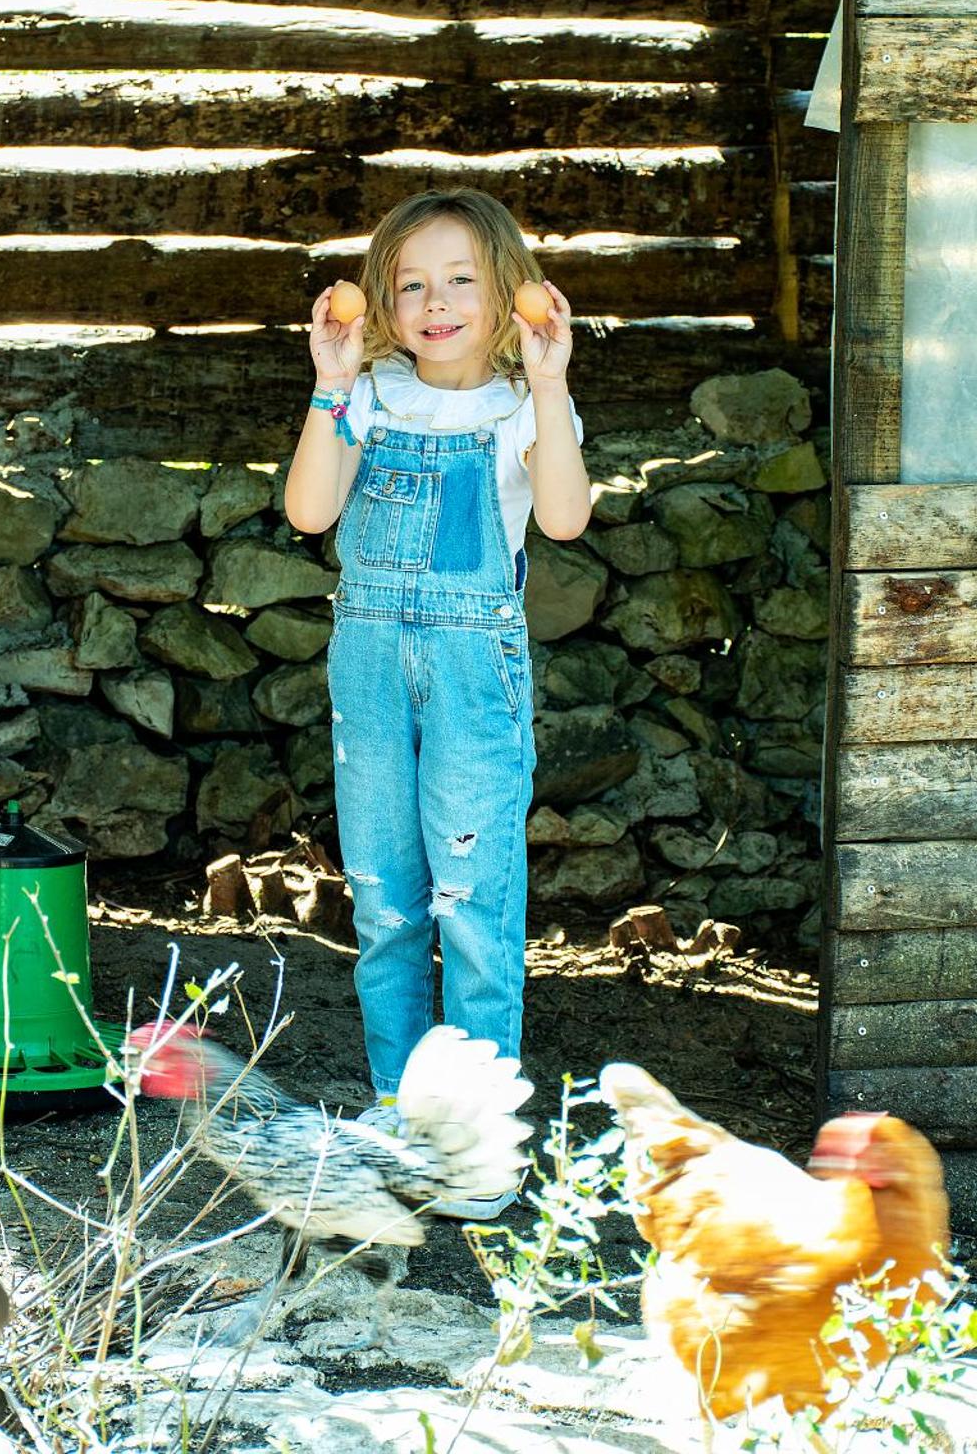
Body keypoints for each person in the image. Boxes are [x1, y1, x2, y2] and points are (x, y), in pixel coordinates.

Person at [284, 189, 591, 1219]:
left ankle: (474, 1150)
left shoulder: (517, 406)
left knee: (472, 909)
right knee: (383, 905)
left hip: (472, 673)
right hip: (369, 664)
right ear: (379, 302)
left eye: (461, 279)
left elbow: (559, 518)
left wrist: (548, 385)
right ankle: (396, 1118)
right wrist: (327, 385)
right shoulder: (367, 395)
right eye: (410, 283)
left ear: (512, 295)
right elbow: (310, 509)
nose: (435, 300)